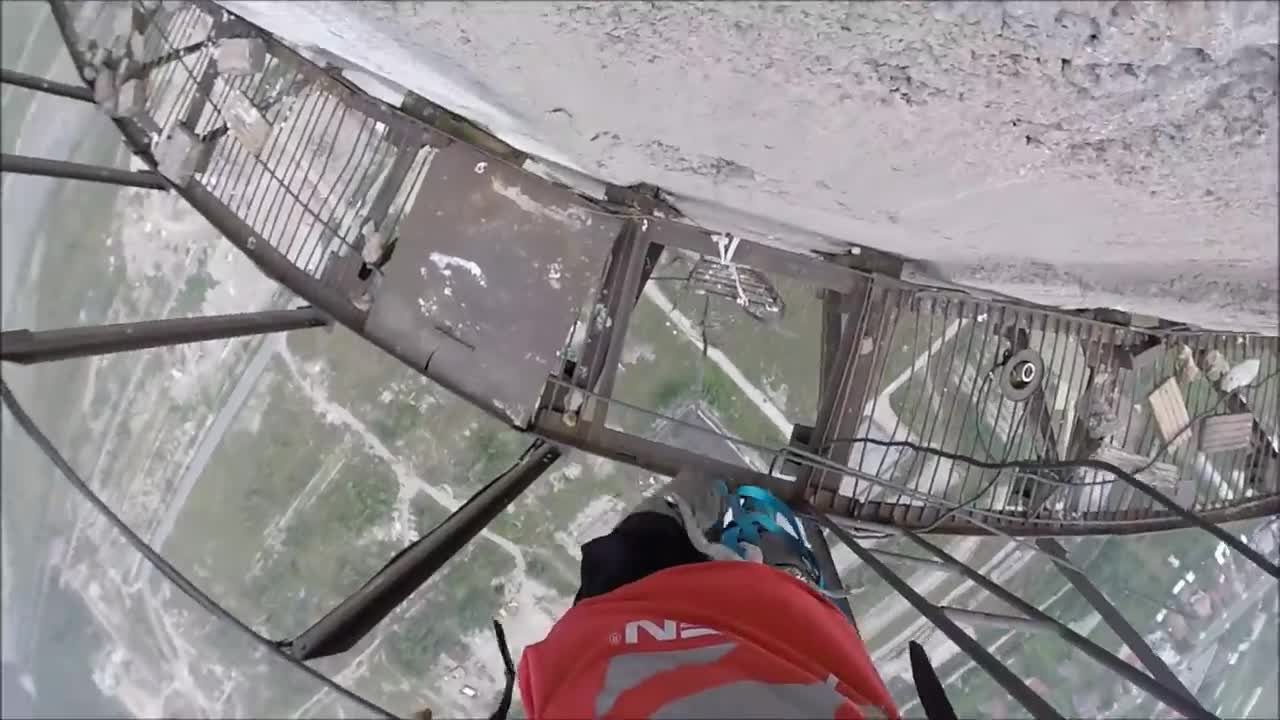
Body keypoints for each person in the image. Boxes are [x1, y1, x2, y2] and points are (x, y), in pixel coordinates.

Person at [514, 470, 903, 719]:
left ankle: (729, 512)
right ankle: (729, 513)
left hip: (612, 637)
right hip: (615, 642)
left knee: (664, 520)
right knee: (667, 518)